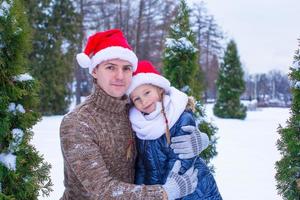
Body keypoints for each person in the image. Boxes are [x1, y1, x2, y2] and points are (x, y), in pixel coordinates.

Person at [60, 29, 208, 200]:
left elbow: (162, 134)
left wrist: (200, 141)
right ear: (94, 70)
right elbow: (102, 190)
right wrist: (164, 193)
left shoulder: (136, 110)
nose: (120, 76)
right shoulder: (78, 123)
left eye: (126, 68)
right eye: (110, 67)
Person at [127, 60, 223, 199]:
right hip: (164, 191)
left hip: (191, 188)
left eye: (147, 93)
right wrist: (143, 191)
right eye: (137, 99)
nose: (144, 101)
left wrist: (165, 192)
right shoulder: (140, 127)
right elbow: (142, 166)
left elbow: (182, 161)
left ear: (159, 88)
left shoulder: (179, 116)